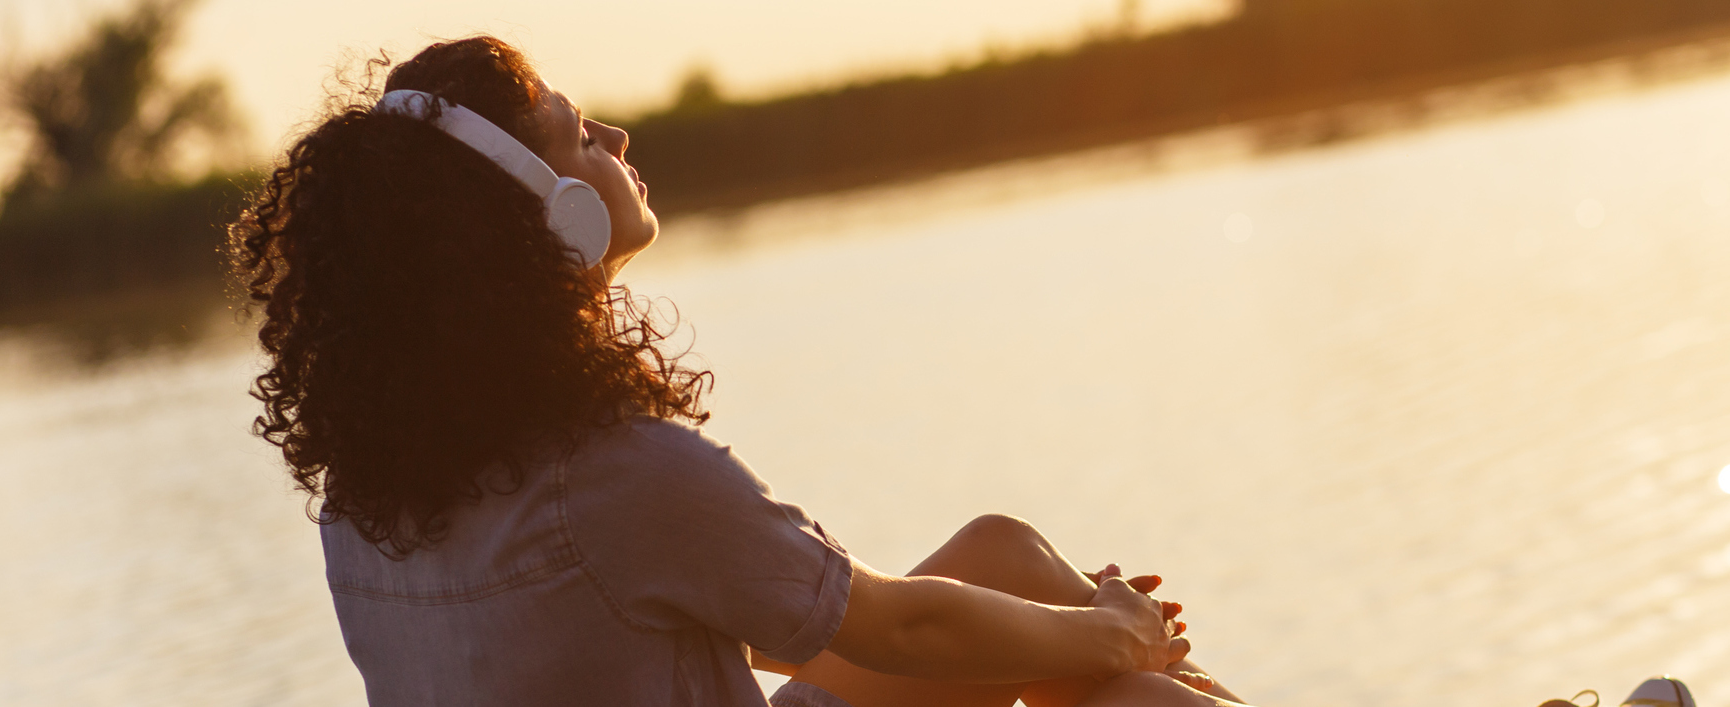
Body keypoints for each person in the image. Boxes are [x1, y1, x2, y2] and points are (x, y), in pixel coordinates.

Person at [230, 35, 1253, 707]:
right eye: (579, 134)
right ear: (545, 213)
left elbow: (722, 610)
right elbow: (910, 627)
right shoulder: (617, 473)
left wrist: (1080, 628)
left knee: (1001, 551)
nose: (616, 138)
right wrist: (1112, 632)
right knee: (1126, 693)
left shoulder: (363, 500)